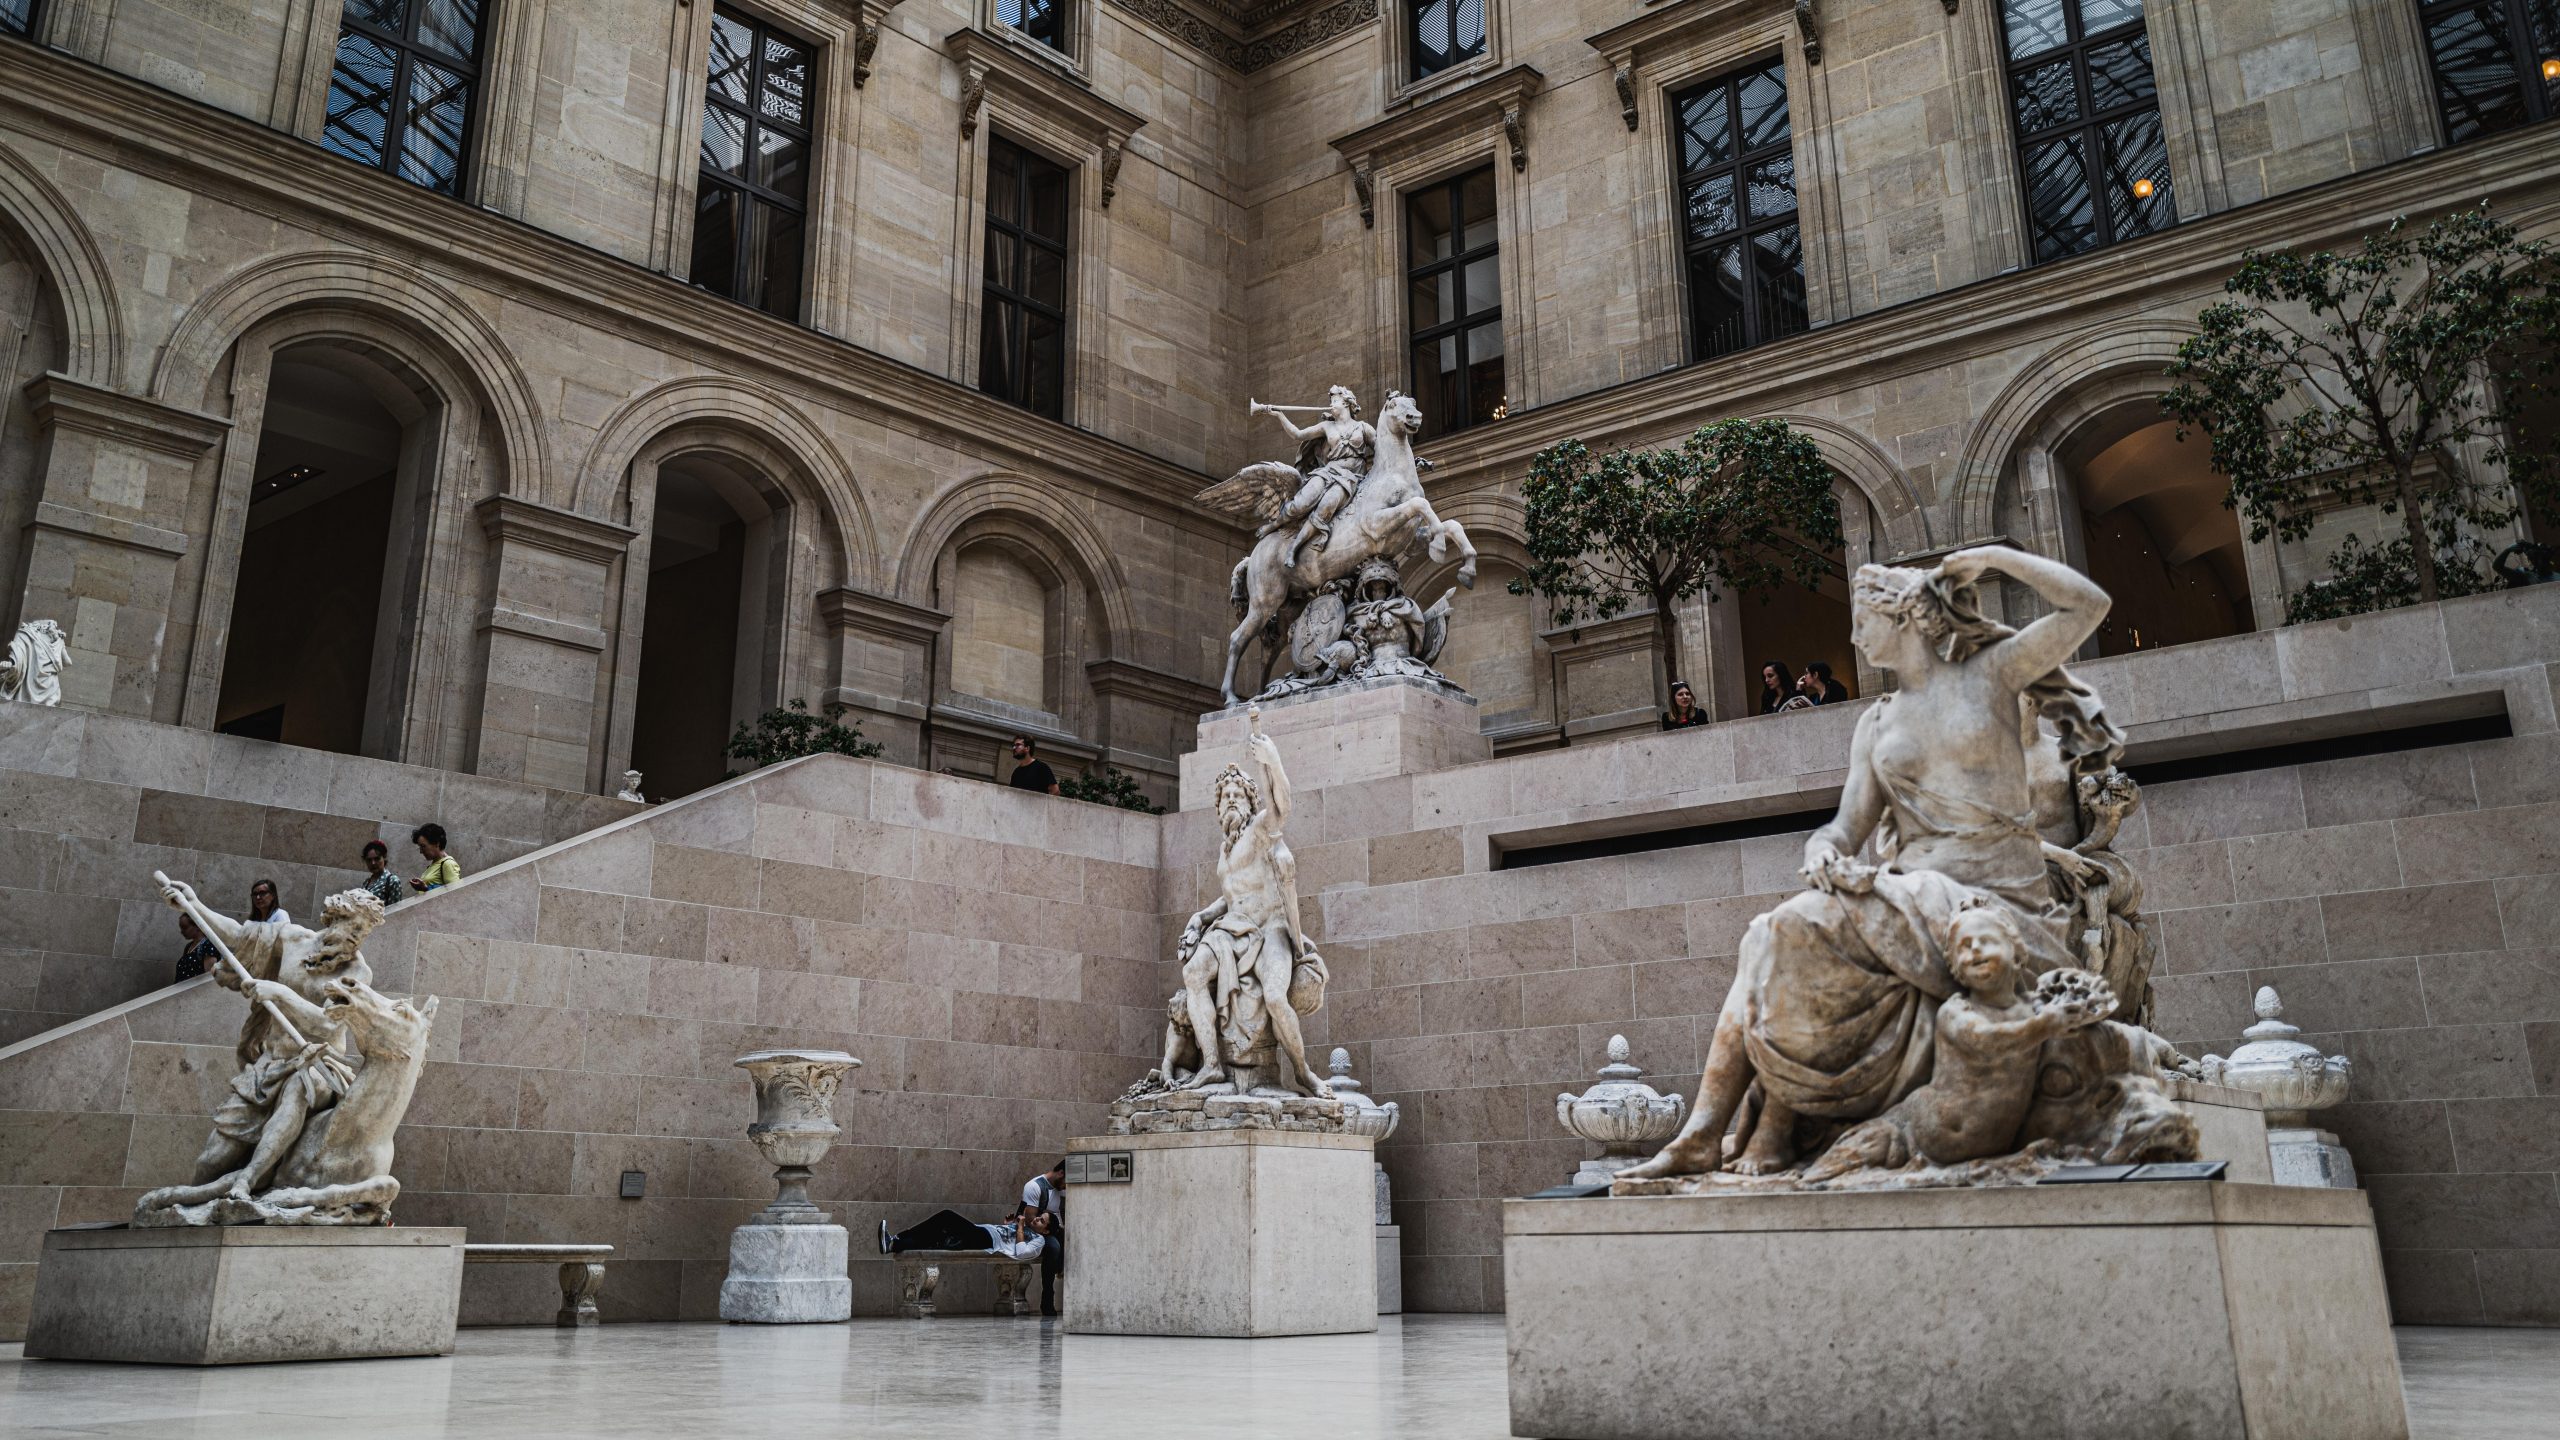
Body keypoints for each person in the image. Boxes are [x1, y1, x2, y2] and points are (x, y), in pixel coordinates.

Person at [1624, 544, 2120, 1181]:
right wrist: (1823, 850)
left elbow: (2090, 604)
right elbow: (1847, 825)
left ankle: (1741, 1126)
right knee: (1771, 929)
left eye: (1865, 619)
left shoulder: (1995, 674)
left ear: (1907, 618)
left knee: (1786, 927)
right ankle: (1703, 1132)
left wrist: (1994, 556)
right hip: (1908, 888)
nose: (1855, 637)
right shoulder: (1877, 721)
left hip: (1993, 897)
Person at [1250, 386, 1375, 566]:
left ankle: (1294, 547)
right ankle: (1274, 525)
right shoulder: (1326, 426)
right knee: (1300, 503)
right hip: (1328, 472)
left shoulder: (1363, 428)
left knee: (1326, 506)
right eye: (1330, 401)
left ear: (1346, 402)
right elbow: (1297, 434)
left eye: (1334, 401)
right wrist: (1279, 415)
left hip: (1350, 478)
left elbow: (1383, 448)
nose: (1331, 405)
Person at [878, 1209, 1047, 1261]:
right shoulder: (1026, 1230)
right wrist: (1008, 1226)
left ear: (1046, 1231)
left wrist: (1019, 1228)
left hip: (987, 1239)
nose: (1037, 1218)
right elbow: (1009, 1240)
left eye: (1042, 1221)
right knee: (937, 1238)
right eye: (1040, 1216)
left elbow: (1022, 1252)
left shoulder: (1039, 1240)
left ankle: (898, 1237)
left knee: (946, 1216)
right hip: (985, 1232)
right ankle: (894, 1244)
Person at [1023, 1158, 1066, 1315]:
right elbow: (1030, 1221)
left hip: (1052, 1229)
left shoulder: (1062, 1188)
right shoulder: (1034, 1186)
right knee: (1054, 1246)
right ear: (1061, 1173)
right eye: (1067, 1181)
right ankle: (1047, 1296)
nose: (1067, 1186)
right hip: (1034, 1231)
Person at [411, 824, 461, 892]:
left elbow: (455, 894)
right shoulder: (434, 864)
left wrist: (425, 889)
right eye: (420, 847)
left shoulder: (448, 864)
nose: (421, 851)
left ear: (437, 843)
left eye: (423, 846)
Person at [358, 840, 404, 909]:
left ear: (384, 858)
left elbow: (395, 911)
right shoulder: (366, 882)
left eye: (377, 859)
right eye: (369, 860)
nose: (373, 863)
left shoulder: (393, 881)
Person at [174, 914, 218, 983]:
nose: (182, 931)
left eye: (185, 927)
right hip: (181, 990)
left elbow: (209, 979)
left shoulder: (208, 946)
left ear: (197, 926)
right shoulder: (188, 946)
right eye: (181, 928)